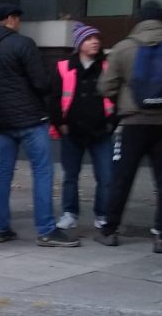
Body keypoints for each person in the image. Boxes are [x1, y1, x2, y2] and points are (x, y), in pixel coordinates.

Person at [0, 4, 79, 247]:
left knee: (2, 173)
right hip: (30, 119)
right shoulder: (22, 44)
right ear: (10, 19)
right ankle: (46, 230)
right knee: (42, 171)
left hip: (0, 120)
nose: (19, 23)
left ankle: (1, 227)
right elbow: (41, 82)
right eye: (18, 19)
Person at [95, 1, 162, 254]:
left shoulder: (123, 48)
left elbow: (104, 88)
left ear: (139, 20)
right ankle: (161, 234)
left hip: (132, 123)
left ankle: (110, 230)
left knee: (121, 178)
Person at [49, 22, 115, 231]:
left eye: (97, 38)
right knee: (70, 175)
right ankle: (70, 213)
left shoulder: (107, 66)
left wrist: (112, 123)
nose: (94, 42)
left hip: (101, 131)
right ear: (79, 44)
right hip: (72, 131)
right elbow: (53, 98)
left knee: (106, 176)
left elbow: (118, 95)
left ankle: (102, 214)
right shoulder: (63, 67)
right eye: (89, 39)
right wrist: (60, 124)